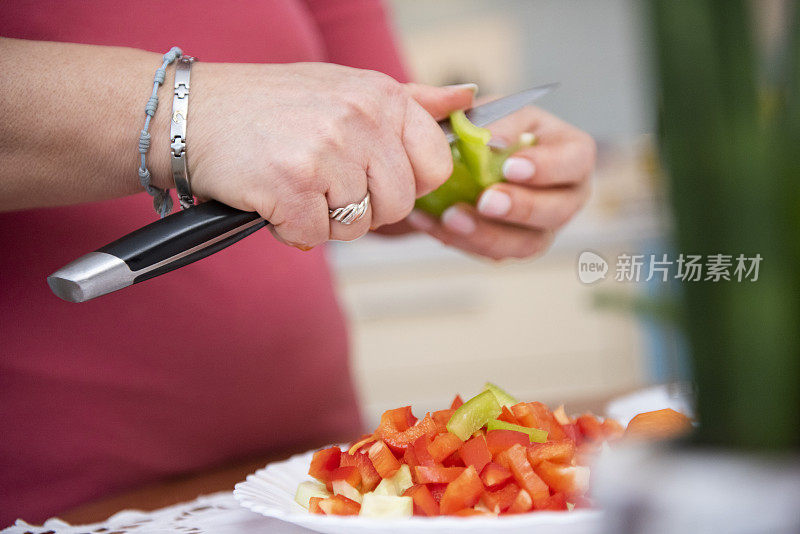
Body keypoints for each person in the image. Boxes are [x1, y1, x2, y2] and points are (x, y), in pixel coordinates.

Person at [0, 0, 595, 524]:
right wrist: (189, 112)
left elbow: (355, 146)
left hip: (305, 471)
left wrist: (473, 173)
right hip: (64, 499)